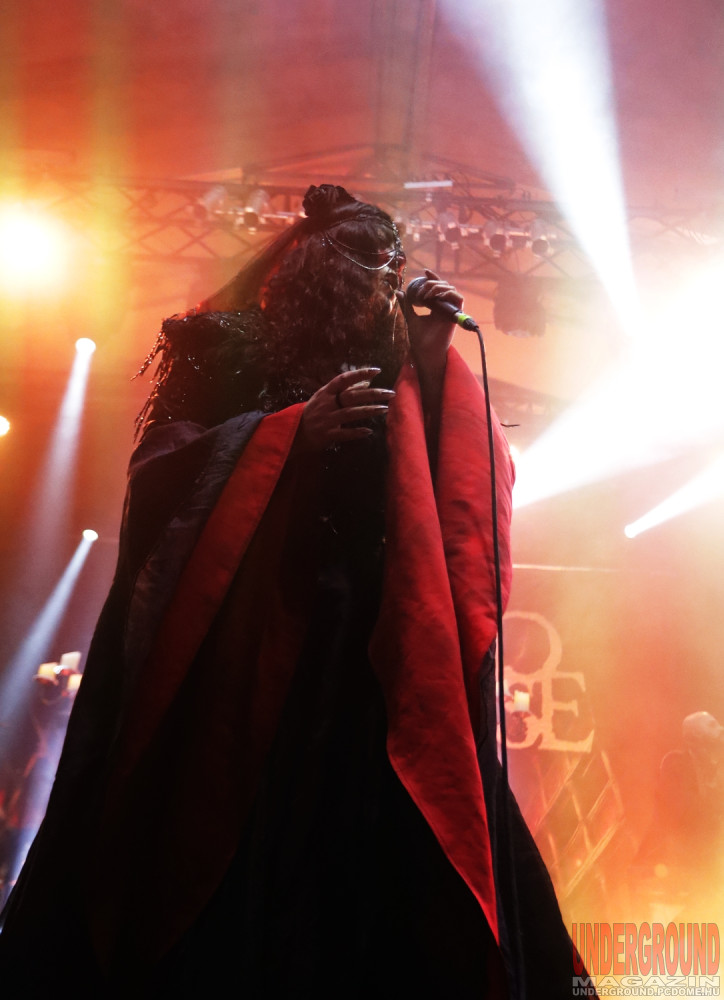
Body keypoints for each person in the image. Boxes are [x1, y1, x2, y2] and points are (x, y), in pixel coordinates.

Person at [0, 184, 588, 998]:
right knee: (245, 854)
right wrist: (284, 442)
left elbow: (460, 489)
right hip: (256, 647)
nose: (388, 282)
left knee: (398, 851)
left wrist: (431, 362)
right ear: (318, 268)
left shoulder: (401, 355)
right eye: (370, 265)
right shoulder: (226, 348)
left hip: (375, 652)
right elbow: (158, 478)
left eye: (395, 265)